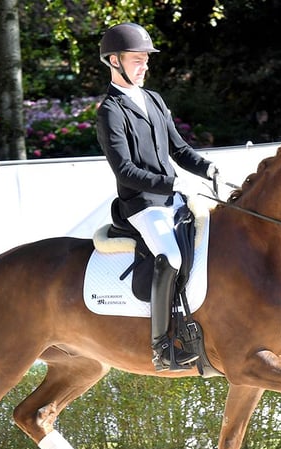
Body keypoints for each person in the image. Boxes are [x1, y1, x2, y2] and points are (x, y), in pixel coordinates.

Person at [96, 22, 221, 372]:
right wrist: (173, 185)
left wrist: (206, 168)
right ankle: (162, 346)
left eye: (145, 59)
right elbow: (125, 171)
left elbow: (179, 150)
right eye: (137, 60)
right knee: (171, 256)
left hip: (170, 199)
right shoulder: (110, 111)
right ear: (114, 61)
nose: (144, 65)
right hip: (140, 205)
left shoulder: (153, 99)